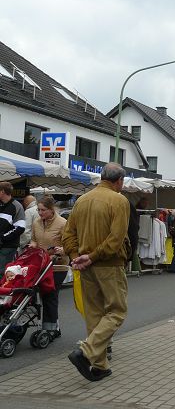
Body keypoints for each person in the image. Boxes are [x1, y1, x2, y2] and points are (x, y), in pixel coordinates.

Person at [62, 163, 130, 382]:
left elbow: (68, 234)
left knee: (94, 314)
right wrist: (92, 256)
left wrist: (76, 257)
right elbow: (116, 239)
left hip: (86, 265)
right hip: (108, 264)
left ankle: (99, 365)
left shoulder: (82, 200)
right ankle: (87, 352)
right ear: (119, 180)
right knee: (116, 311)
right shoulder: (119, 200)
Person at [28, 195, 68, 338]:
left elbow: (69, 244)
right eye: (38, 210)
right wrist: (32, 245)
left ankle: (51, 328)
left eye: (43, 210)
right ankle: (53, 326)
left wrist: (62, 250)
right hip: (41, 264)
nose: (40, 213)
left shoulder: (63, 223)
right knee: (42, 295)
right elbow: (34, 240)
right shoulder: (36, 223)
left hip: (58, 266)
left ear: (52, 209)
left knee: (50, 295)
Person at [0, 182, 26, 270]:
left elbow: (20, 228)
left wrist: (2, 237)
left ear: (2, 192)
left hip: (8, 246)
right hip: (3, 244)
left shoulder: (17, 206)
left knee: (2, 271)